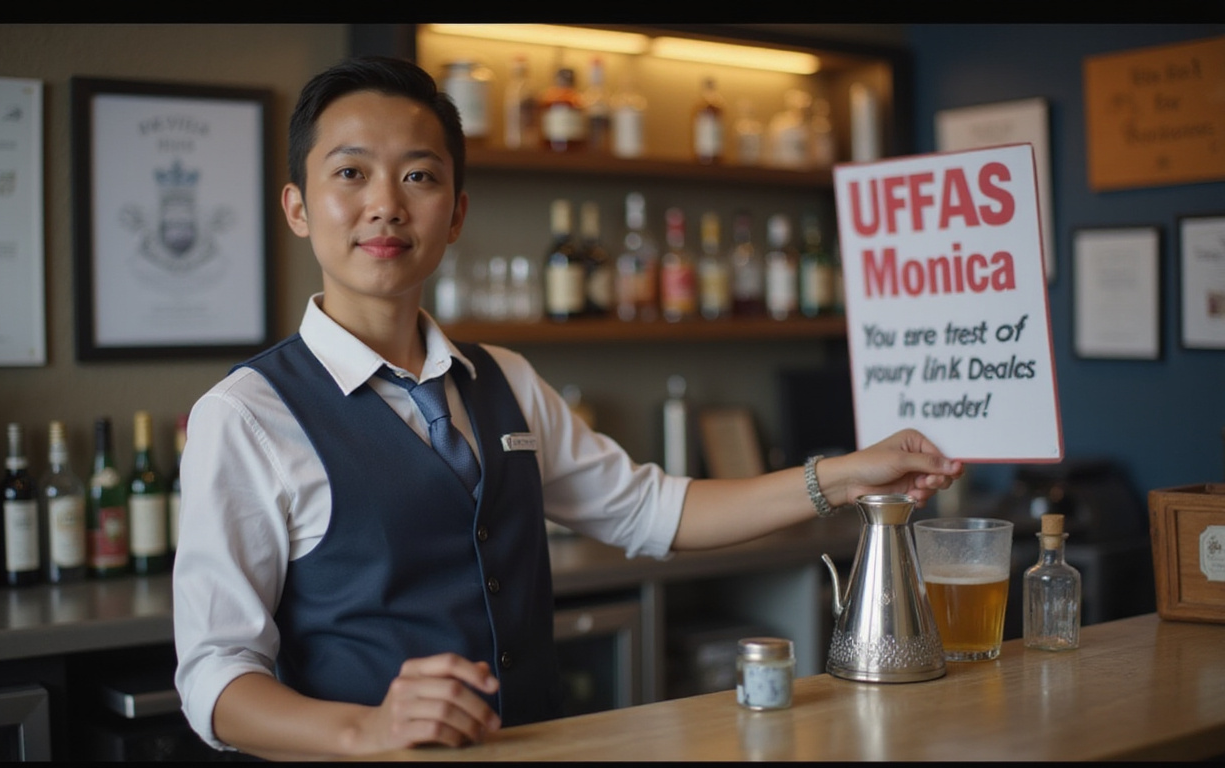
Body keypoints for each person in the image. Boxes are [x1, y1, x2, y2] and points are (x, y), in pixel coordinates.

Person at [172, 56, 963, 761]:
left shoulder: (503, 378)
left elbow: (653, 511)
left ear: (455, 213)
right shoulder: (245, 416)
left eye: (418, 175)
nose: (385, 204)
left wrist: (847, 475)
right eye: (350, 174)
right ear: (298, 208)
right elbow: (216, 675)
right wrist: (364, 732)